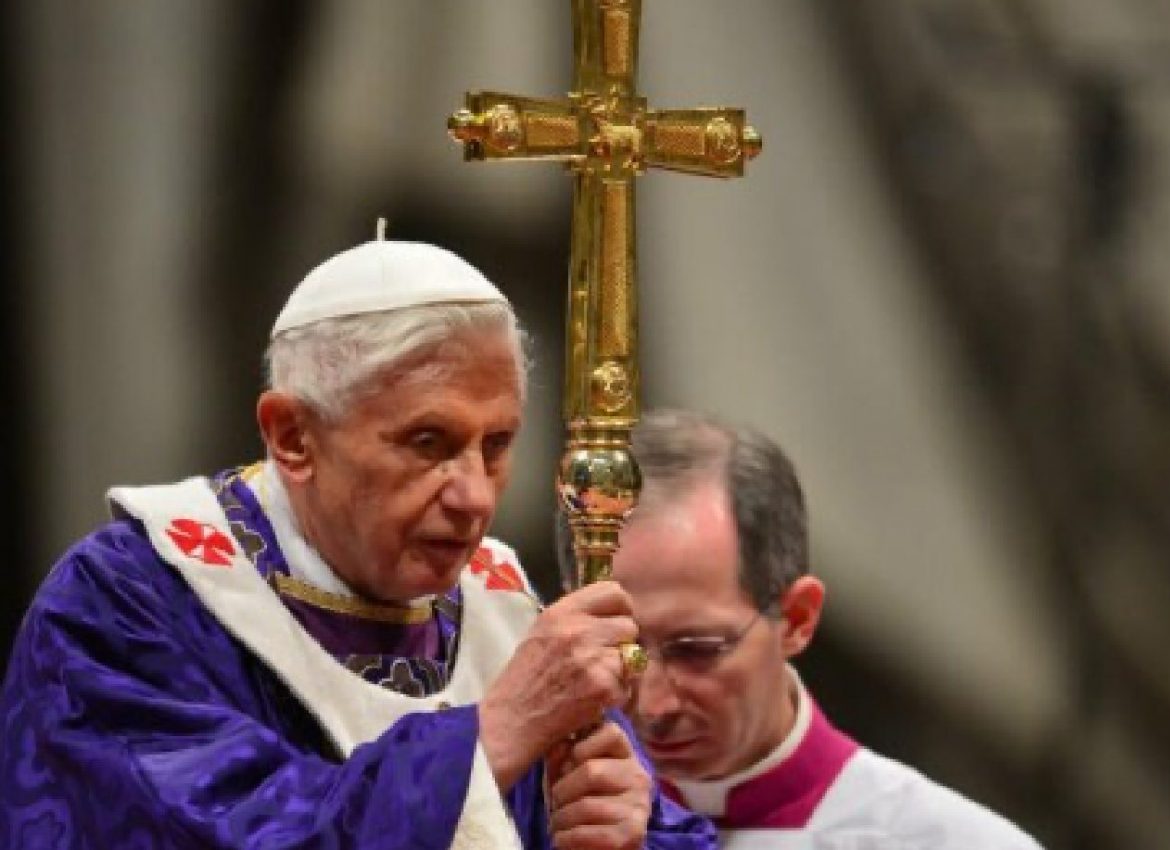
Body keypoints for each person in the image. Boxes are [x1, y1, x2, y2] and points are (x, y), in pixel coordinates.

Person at [0, 238, 715, 850]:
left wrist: (630, 833)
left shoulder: (503, 611)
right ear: (293, 437)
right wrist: (491, 739)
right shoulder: (128, 607)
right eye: (428, 442)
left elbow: (658, 829)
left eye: (496, 445)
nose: (474, 496)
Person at [563, 409, 1044, 848]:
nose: (653, 705)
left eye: (697, 649)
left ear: (797, 618)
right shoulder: (530, 824)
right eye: (617, 645)